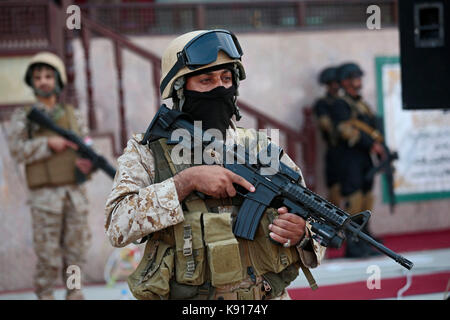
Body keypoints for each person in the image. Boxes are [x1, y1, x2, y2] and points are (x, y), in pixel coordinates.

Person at [105, 29, 326, 300]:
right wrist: (184, 182)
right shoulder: (148, 151)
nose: (220, 88)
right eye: (205, 80)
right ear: (180, 89)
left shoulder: (262, 149)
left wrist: (302, 234)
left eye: (226, 78)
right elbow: (118, 227)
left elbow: (315, 226)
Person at [7, 52, 93, 300]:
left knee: (76, 252)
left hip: (75, 194)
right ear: (32, 82)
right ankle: (45, 295)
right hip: (45, 198)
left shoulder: (72, 114)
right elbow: (17, 151)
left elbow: (86, 142)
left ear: (58, 80)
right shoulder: (24, 117)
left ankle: (74, 293)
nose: (43, 81)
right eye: (38, 77)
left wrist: (88, 163)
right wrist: (47, 144)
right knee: (48, 256)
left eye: (48, 76)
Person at [332, 62, 385, 258]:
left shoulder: (360, 104)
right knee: (354, 200)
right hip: (350, 158)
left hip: (364, 157)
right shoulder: (341, 104)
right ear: (345, 82)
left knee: (366, 197)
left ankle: (365, 238)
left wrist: (378, 145)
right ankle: (353, 245)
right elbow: (346, 130)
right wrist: (370, 143)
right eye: (355, 78)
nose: (359, 81)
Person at [312, 66, 343, 207]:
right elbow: (328, 127)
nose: (336, 86)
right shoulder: (323, 103)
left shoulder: (344, 102)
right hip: (335, 150)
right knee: (335, 188)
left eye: (337, 82)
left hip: (351, 152)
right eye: (333, 83)